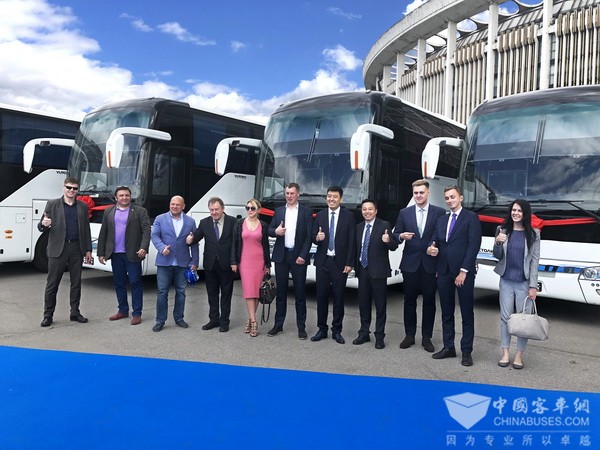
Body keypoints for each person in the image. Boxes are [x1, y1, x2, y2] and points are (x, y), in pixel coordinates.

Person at [428, 185, 481, 366]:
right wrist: (431, 248)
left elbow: (473, 246)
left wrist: (464, 271)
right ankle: (448, 347)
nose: (450, 200)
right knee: (446, 312)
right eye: (447, 198)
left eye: (452, 197)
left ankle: (466, 351)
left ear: (461, 198)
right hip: (443, 271)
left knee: (466, 312)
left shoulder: (471, 218)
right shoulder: (442, 220)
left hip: (463, 273)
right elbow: (435, 240)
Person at [393, 179, 447, 353]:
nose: (418, 195)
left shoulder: (439, 212)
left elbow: (440, 235)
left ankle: (426, 337)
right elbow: (396, 234)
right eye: (415, 193)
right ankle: (409, 335)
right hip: (410, 264)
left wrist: (434, 247)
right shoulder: (405, 212)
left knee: (429, 302)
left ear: (428, 192)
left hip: (430, 264)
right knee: (409, 301)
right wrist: (401, 236)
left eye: (421, 192)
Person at [38, 177, 92, 327]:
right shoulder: (52, 204)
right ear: (64, 188)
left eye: (74, 188)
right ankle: (48, 315)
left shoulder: (82, 206)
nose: (71, 190)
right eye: (69, 187)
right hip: (58, 249)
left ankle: (75, 312)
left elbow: (86, 229)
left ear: (77, 190)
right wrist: (43, 224)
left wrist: (88, 249)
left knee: (76, 283)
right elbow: (41, 226)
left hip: (76, 248)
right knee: (52, 284)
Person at [493, 199, 540, 370]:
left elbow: (534, 261)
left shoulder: (534, 234)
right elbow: (497, 255)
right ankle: (505, 353)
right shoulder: (502, 229)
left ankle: (519, 355)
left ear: (525, 213)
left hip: (524, 283)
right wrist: (498, 242)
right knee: (505, 318)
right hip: (506, 280)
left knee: (523, 320)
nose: (516, 213)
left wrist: (533, 286)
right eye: (513, 210)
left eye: (519, 211)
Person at [97, 186, 151, 325]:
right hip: (116, 254)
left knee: (135, 283)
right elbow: (104, 232)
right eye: (121, 195)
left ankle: (137, 313)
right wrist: (101, 252)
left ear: (130, 197)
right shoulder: (109, 211)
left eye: (127, 195)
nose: (124, 198)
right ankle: (122, 310)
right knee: (119, 284)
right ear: (116, 198)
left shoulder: (140, 211)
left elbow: (146, 231)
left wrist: (143, 247)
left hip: (133, 254)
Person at [266, 183, 313, 340]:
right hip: (282, 256)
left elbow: (309, 236)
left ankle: (301, 327)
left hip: (298, 256)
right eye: (287, 193)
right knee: (281, 293)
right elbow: (269, 230)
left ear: (298, 194)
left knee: (300, 293)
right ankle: (278, 325)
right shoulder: (279, 211)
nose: (289, 196)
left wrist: (303, 255)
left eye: (292, 193)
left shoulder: (306, 211)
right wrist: (276, 231)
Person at [311, 186, 356, 344]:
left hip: (340, 263)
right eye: (329, 196)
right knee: (321, 296)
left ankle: (337, 330)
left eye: (335, 196)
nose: (331, 199)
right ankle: (322, 329)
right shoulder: (320, 215)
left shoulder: (349, 216)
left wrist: (350, 262)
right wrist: (317, 237)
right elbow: (313, 236)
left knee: (338, 297)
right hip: (323, 262)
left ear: (341, 199)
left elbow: (352, 240)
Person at [186, 197, 237, 332]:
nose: (214, 212)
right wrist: (190, 240)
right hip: (210, 264)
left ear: (223, 209)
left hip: (227, 264)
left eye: (216, 209)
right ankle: (214, 320)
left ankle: (224, 321)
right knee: (212, 294)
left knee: (226, 294)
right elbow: (196, 237)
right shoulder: (204, 223)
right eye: (211, 210)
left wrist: (235, 261)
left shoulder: (233, 222)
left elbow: (237, 243)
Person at [352, 199, 398, 349]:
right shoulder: (358, 227)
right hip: (362, 270)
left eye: (370, 209)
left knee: (380, 305)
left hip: (379, 271)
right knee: (363, 303)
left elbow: (394, 247)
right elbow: (356, 248)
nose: (367, 212)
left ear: (376, 211)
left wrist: (388, 240)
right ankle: (364, 333)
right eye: (364, 209)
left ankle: (379, 336)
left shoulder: (384, 225)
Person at [150, 196, 199, 332]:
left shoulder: (190, 221)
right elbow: (154, 236)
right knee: (162, 292)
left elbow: (194, 242)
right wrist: (161, 248)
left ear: (183, 206)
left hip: (183, 262)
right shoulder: (160, 219)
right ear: (169, 205)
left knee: (181, 292)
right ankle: (160, 321)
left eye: (178, 204)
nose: (174, 206)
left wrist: (195, 261)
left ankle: (179, 318)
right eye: (172, 204)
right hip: (164, 261)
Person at [231, 199, 271, 337]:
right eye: (247, 208)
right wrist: (233, 262)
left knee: (256, 292)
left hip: (259, 261)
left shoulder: (263, 225)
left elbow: (266, 246)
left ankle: (250, 319)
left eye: (252, 208)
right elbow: (234, 243)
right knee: (249, 291)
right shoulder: (239, 223)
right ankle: (254, 322)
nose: (249, 210)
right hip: (245, 261)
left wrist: (268, 265)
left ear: (258, 210)